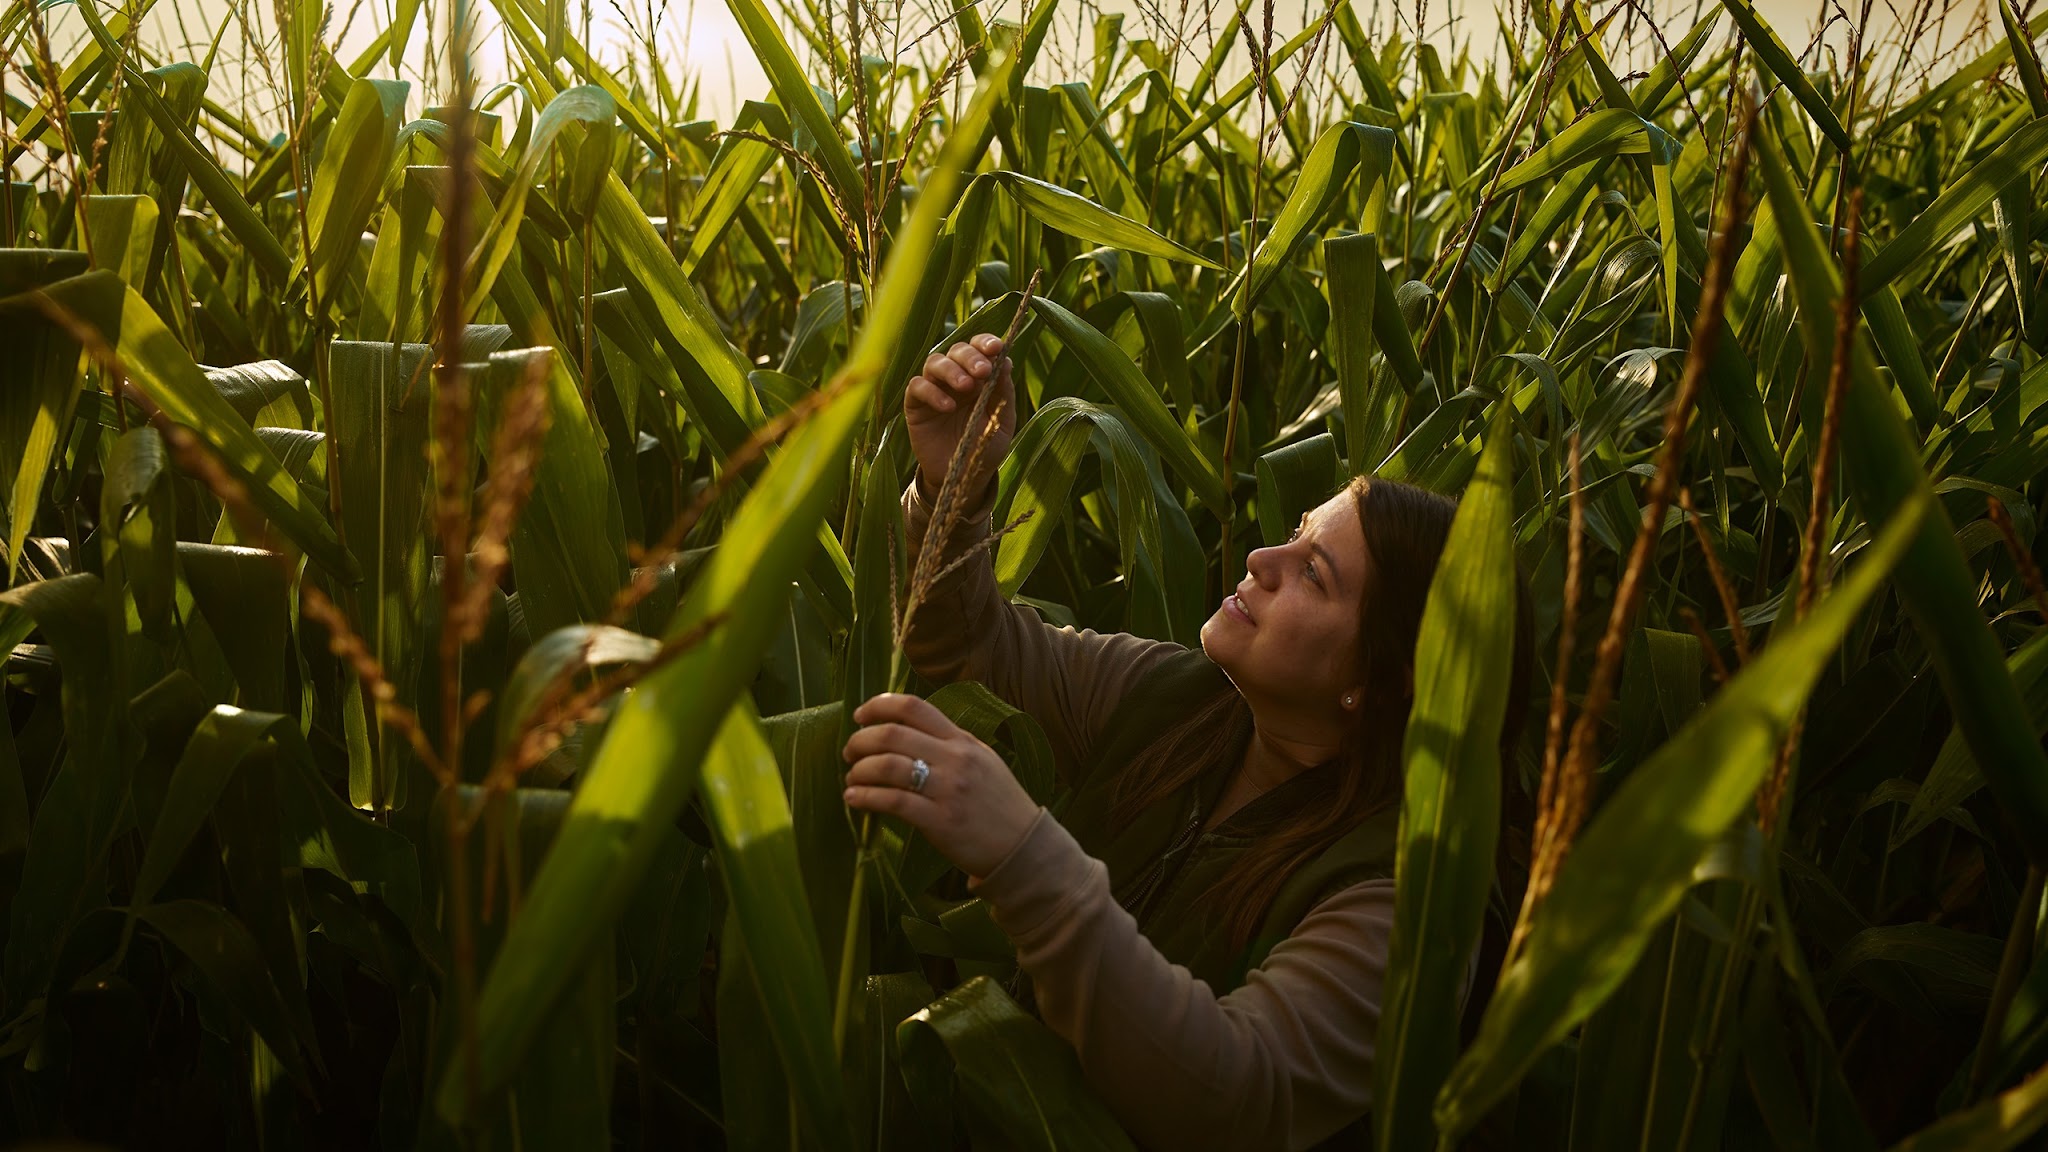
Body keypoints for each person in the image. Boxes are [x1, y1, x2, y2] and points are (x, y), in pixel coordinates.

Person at [841, 333, 1533, 1150]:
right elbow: (968, 645)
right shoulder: (1183, 701)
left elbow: (1238, 1095)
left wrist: (1021, 851)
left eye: (1314, 573)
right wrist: (954, 481)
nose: (1260, 557)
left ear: (1378, 683)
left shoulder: (1401, 902)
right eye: (1297, 533)